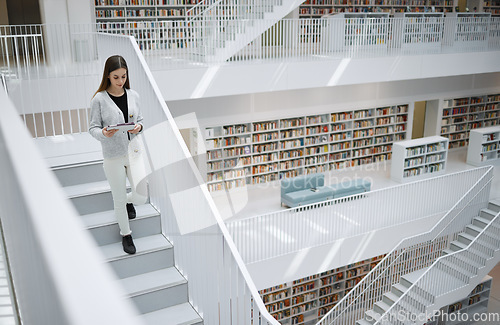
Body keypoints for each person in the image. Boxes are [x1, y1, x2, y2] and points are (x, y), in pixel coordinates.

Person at [89, 55, 147, 254]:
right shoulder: (99, 99)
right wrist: (104, 133)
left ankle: (130, 201)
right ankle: (126, 234)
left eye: (123, 76)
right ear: (108, 76)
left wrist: (138, 127)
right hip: (113, 155)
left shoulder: (134, 95)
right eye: (116, 77)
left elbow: (140, 121)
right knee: (118, 198)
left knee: (141, 194)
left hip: (134, 152)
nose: (121, 81)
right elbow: (93, 128)